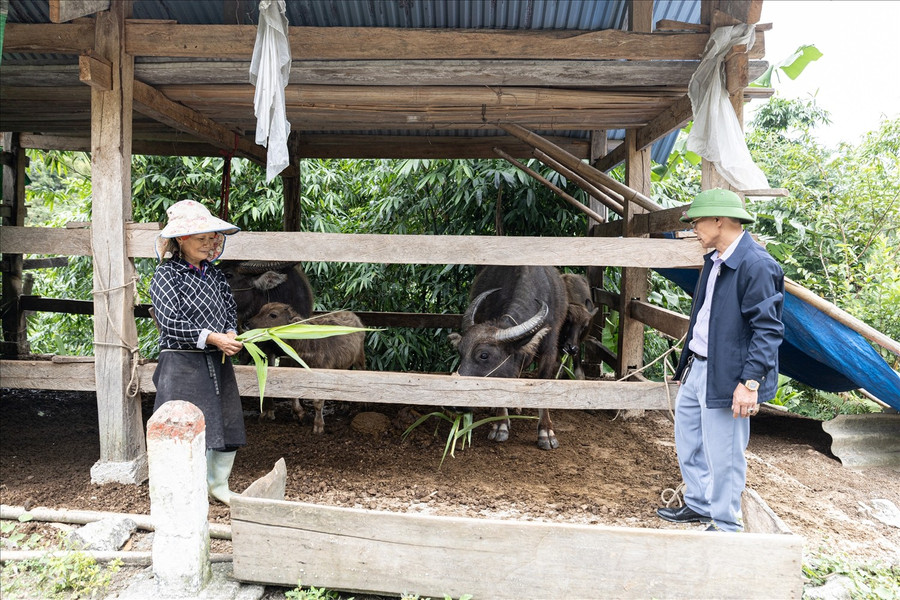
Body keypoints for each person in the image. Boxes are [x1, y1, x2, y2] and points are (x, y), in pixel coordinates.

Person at [657, 188, 784, 532]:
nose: (693, 228)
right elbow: (703, 318)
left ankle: (727, 523)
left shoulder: (756, 265)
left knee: (724, 452)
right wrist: (687, 366)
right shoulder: (714, 260)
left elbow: (768, 330)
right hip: (699, 366)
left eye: (697, 221)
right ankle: (698, 503)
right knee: (689, 439)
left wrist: (749, 383)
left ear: (719, 220)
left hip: (730, 374)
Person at [149, 199, 245, 505]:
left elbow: (230, 308)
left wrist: (229, 332)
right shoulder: (167, 274)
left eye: (211, 238)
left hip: (216, 360)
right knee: (186, 426)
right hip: (181, 362)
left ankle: (218, 486)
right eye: (201, 239)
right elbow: (170, 322)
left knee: (225, 421)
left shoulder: (213, 274)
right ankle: (185, 491)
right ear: (181, 240)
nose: (208, 244)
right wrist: (212, 338)